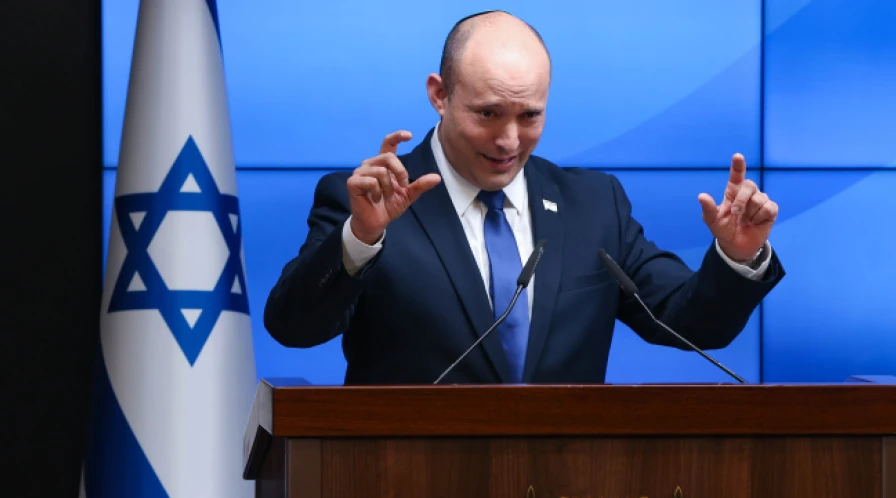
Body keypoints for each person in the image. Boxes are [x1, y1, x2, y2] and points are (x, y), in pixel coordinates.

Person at [264, 10, 785, 385]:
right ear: (439, 95)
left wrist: (737, 258)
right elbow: (294, 327)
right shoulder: (368, 200)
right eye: (488, 113)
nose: (509, 140)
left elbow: (689, 323)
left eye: (529, 116)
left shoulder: (594, 204)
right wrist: (361, 237)